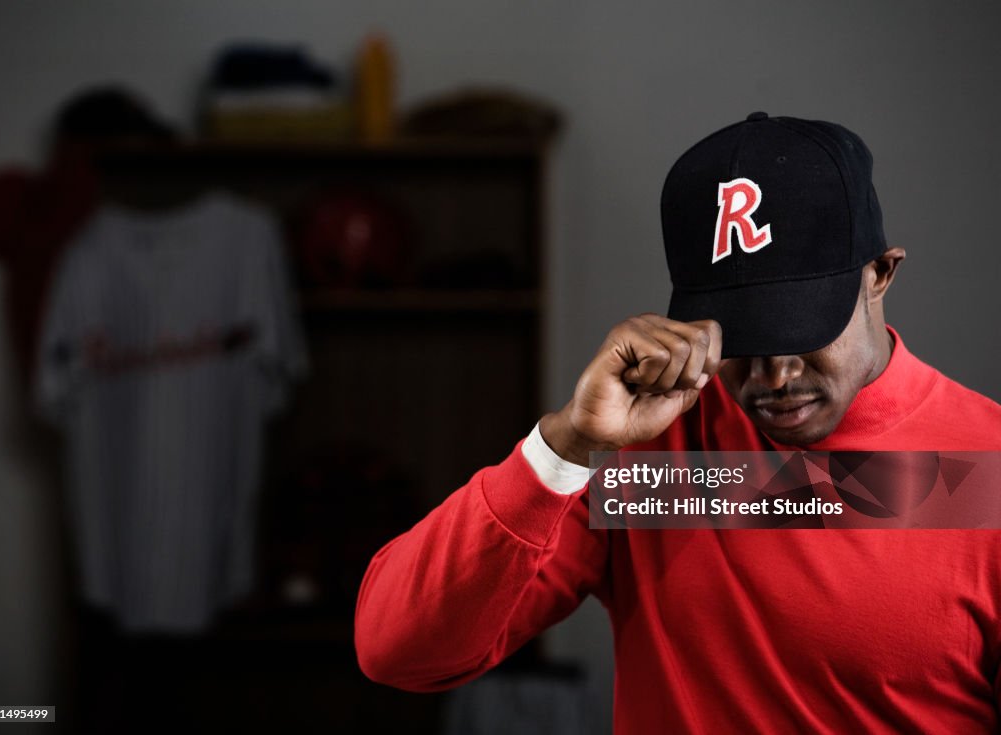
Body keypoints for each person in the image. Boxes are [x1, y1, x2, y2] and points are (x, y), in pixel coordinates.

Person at [354, 112, 1001, 733]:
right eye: (743, 339)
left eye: (803, 330)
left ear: (880, 274)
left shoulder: (986, 466)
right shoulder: (650, 456)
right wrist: (567, 444)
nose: (773, 376)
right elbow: (398, 650)